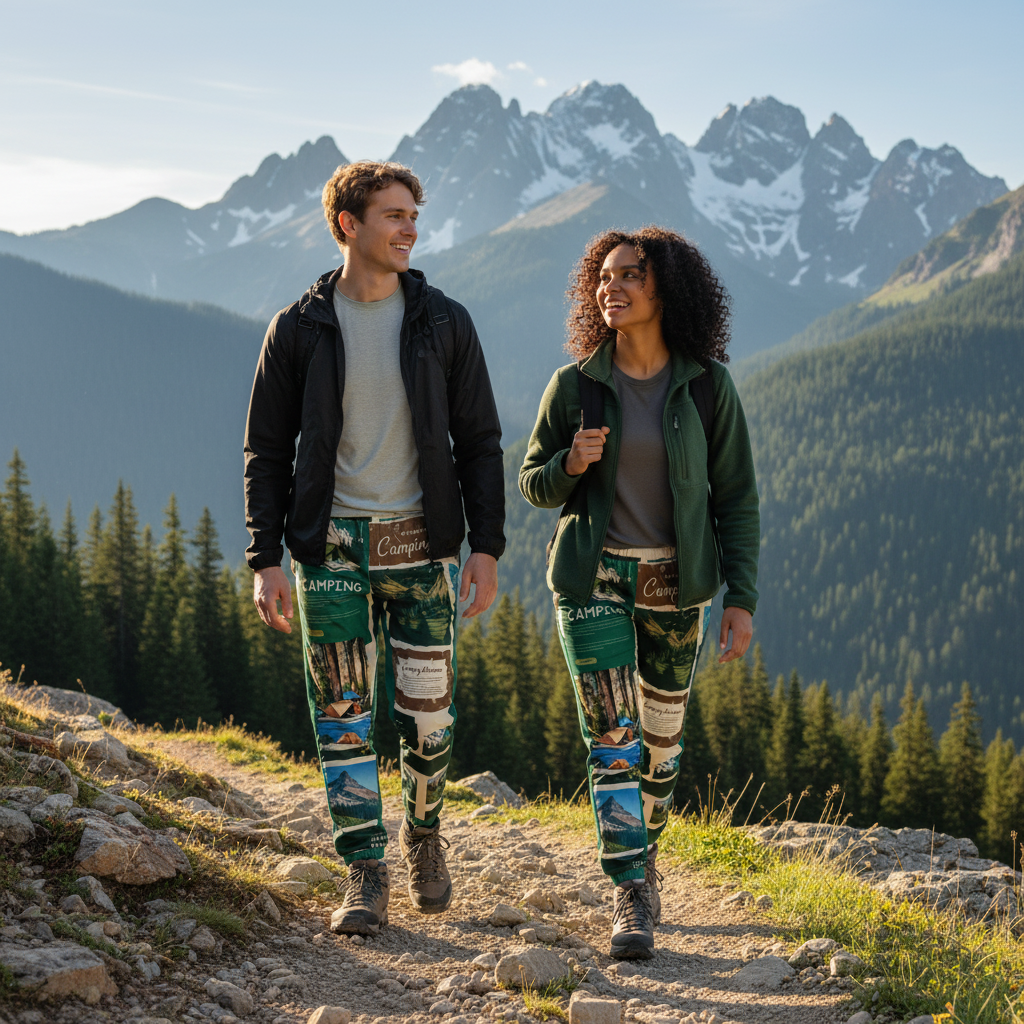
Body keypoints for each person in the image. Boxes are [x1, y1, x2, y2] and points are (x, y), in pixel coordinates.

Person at [244, 161, 504, 937]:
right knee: (343, 717)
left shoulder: (443, 321)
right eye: (393, 215)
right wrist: (265, 559)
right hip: (329, 555)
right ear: (348, 224)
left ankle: (423, 837)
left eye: (413, 215)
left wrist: (484, 547)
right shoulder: (299, 327)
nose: (409, 228)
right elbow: (265, 449)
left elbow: (481, 441)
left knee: (429, 720)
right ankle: (364, 871)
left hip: (422, 551)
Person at [519, 227, 759, 959]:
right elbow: (532, 484)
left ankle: (644, 856)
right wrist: (569, 463)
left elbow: (737, 499)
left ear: (666, 289)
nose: (610, 287)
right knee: (613, 740)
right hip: (593, 581)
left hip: (676, 587)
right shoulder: (575, 385)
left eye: (629, 275)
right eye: (602, 276)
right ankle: (629, 889)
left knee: (659, 747)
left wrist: (740, 598)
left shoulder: (708, 385)